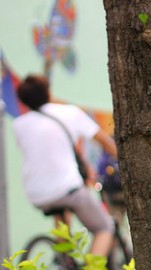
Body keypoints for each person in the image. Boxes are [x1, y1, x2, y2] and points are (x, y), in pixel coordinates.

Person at [13, 74, 118, 257]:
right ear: (48, 92)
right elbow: (106, 143)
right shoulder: (69, 112)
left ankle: (64, 264)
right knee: (105, 227)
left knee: (61, 214)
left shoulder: (19, 124)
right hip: (67, 189)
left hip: (37, 194)